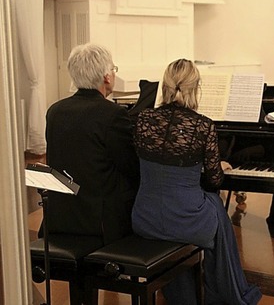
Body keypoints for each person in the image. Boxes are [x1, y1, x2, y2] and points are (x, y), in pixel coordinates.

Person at [131, 59, 262, 304]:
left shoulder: (142, 119)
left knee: (205, 205)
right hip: (185, 221)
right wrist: (215, 165)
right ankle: (223, 290)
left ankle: (184, 293)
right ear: (195, 87)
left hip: (144, 218)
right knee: (214, 204)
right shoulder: (202, 125)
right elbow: (214, 181)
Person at [44, 43, 139, 245]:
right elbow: (131, 167)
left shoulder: (55, 111)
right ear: (107, 77)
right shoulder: (113, 114)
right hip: (100, 222)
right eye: (113, 69)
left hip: (61, 215)